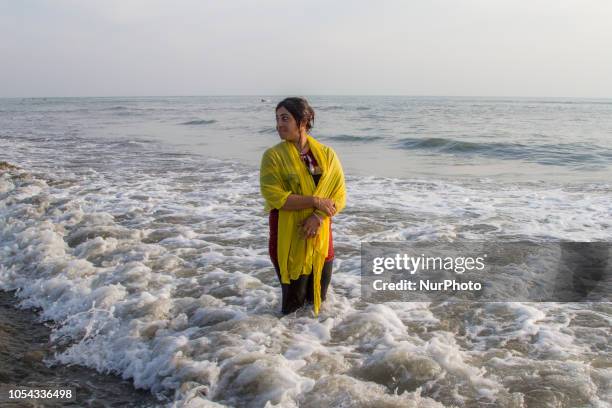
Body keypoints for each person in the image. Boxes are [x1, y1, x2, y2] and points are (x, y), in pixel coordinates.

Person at [260, 97, 346, 316]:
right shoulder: (273, 157)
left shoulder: (326, 155)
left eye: (285, 118)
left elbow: (339, 194)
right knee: (292, 308)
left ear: (304, 121)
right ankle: (283, 344)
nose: (279, 124)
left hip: (322, 236)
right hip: (288, 238)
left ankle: (316, 345)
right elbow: (275, 196)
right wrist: (315, 201)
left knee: (318, 302)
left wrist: (317, 217)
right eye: (277, 119)